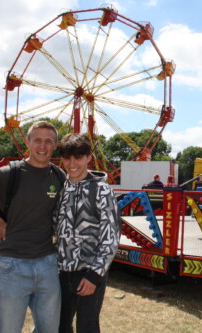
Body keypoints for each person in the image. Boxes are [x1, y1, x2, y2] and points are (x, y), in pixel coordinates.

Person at [0, 120, 65, 333]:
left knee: (50, 329)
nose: (42, 146)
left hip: (48, 264)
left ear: (54, 146)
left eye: (48, 141)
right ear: (27, 142)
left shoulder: (58, 176)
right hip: (13, 265)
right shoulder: (9, 174)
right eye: (37, 140)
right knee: (9, 328)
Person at [54, 133, 121, 333]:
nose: (72, 163)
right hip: (61, 272)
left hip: (88, 273)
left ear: (88, 158)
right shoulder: (62, 187)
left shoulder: (101, 190)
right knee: (60, 326)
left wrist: (94, 275)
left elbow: (111, 236)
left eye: (78, 157)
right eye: (67, 158)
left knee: (87, 327)